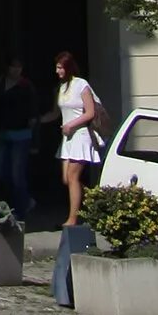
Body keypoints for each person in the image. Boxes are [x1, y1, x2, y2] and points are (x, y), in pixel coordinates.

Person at [54, 50, 104, 224]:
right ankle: (94, 199)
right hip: (67, 138)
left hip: (80, 135)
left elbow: (90, 113)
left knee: (73, 177)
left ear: (68, 68)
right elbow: (57, 113)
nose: (57, 71)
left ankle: (72, 218)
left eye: (60, 67)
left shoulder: (81, 84)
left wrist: (71, 124)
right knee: (66, 179)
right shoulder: (62, 88)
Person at [0, 58, 36, 224]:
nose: (16, 70)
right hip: (3, 134)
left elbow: (33, 112)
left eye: (19, 67)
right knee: (0, 170)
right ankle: (19, 200)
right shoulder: (0, 83)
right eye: (13, 66)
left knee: (17, 174)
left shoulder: (26, 86)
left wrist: (34, 137)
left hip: (21, 135)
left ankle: (20, 209)